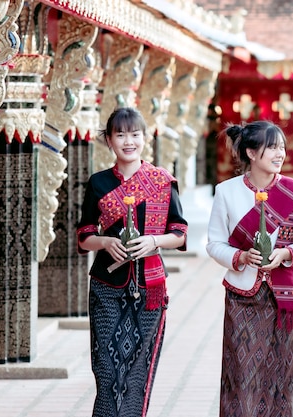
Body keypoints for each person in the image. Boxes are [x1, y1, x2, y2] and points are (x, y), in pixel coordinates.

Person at [77, 107, 188, 417]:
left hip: (149, 287)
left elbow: (179, 233)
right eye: (121, 134)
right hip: (106, 286)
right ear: (109, 141)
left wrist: (153, 242)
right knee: (106, 368)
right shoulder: (98, 182)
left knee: (138, 369)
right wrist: (106, 242)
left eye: (135, 134)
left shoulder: (163, 181)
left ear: (145, 138)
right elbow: (84, 235)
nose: (129, 141)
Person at [206, 120, 293, 417]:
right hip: (242, 295)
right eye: (272, 147)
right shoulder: (226, 191)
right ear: (251, 153)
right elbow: (214, 244)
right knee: (240, 376)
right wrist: (241, 257)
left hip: (285, 298)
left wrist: (285, 253)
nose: (280, 153)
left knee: (281, 376)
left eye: (282, 146)